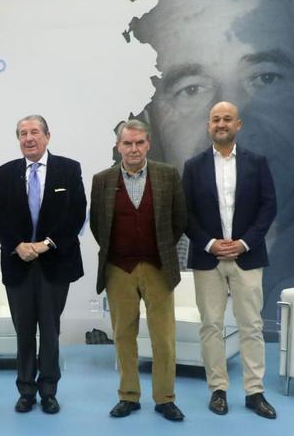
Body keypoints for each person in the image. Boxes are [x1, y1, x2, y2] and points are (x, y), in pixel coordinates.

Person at [92, 0, 294, 320]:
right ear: (153, 120)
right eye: (191, 88)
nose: (231, 120)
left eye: (265, 77)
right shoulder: (161, 264)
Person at [182, 101, 278, 419]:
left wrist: (244, 243)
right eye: (215, 119)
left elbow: (268, 208)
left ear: (239, 125)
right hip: (208, 259)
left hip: (247, 258)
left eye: (227, 119)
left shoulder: (257, 162)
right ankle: (218, 390)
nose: (221, 124)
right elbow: (185, 213)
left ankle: (255, 392)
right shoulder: (193, 166)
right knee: (211, 326)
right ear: (208, 126)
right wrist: (210, 244)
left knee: (251, 325)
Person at [89, 119, 186, 422]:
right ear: (118, 146)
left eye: (139, 143)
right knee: (123, 336)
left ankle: (165, 398)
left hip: (158, 267)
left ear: (148, 144)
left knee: (164, 338)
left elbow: (179, 220)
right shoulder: (102, 180)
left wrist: (160, 250)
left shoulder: (167, 175)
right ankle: (128, 396)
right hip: (119, 268)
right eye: (127, 143)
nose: (133, 149)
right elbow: (97, 225)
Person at [0, 115, 86, 414]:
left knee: (50, 329)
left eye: (34, 132)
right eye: (22, 133)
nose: (28, 138)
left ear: (47, 136)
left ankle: (48, 389)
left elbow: (77, 213)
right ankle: (26, 389)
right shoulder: (6, 173)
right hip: (18, 262)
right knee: (23, 331)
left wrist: (46, 244)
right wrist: (17, 245)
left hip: (55, 262)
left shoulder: (68, 169)